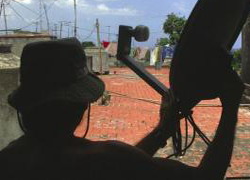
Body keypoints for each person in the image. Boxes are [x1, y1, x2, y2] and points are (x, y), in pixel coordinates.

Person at [0, 38, 244, 180]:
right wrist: (231, 105)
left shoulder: (9, 159)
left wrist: (162, 132)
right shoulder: (104, 158)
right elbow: (207, 177)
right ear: (81, 105)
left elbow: (123, 167)